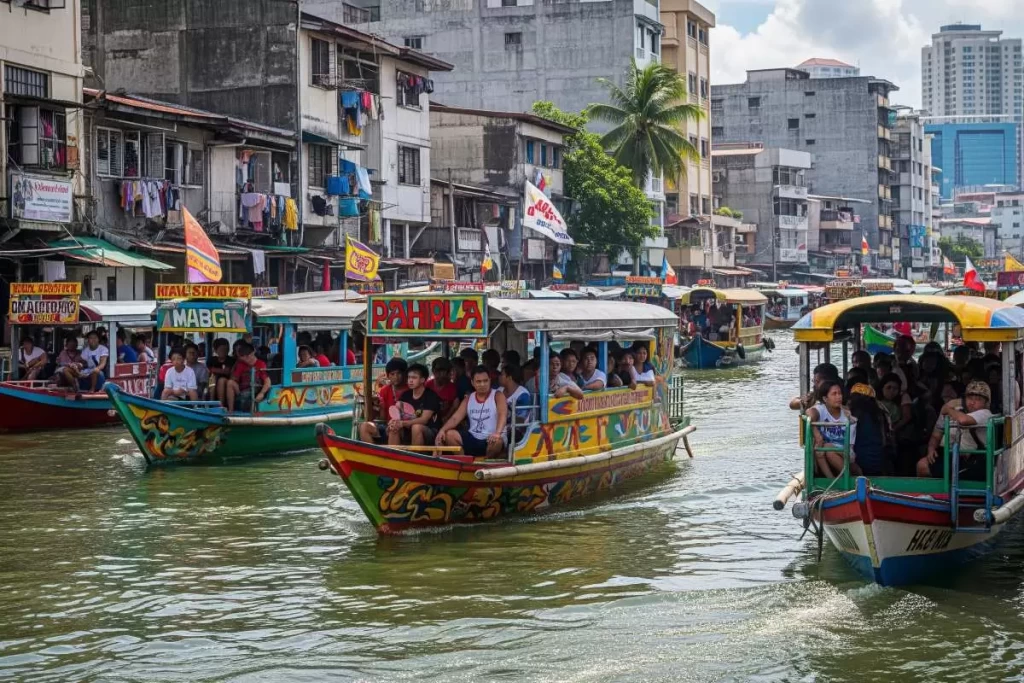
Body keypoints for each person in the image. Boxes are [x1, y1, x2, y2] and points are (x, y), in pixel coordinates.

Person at [919, 380, 994, 479]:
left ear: (986, 403)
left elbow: (963, 420)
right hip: (951, 455)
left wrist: (947, 409)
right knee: (922, 465)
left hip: (973, 460)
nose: (972, 402)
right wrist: (931, 449)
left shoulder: (985, 414)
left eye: (978, 399)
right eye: (970, 398)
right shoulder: (956, 410)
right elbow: (936, 435)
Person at [437, 366, 508, 458]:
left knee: (497, 442)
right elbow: (455, 418)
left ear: (490, 380)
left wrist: (497, 433)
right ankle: (463, 463)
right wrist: (442, 430)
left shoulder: (498, 395)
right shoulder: (469, 398)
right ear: (472, 383)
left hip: (492, 438)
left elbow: (503, 415)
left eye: (485, 381)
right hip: (473, 437)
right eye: (478, 382)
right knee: (449, 434)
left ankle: (485, 463)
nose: (482, 384)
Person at [807, 379, 857, 479]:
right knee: (820, 447)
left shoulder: (846, 412)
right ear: (825, 398)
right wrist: (816, 433)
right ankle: (831, 480)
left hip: (847, 450)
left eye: (839, 393)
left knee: (828, 447)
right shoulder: (821, 409)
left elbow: (850, 445)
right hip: (826, 449)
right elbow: (809, 412)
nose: (838, 397)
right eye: (834, 394)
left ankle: (846, 478)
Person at [388, 363, 441, 446]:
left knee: (416, 427)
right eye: (409, 377)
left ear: (422, 380)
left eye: (414, 378)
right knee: (394, 427)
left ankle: (416, 457)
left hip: (429, 432)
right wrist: (394, 422)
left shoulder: (431, 396)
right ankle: (392, 457)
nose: (410, 380)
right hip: (407, 429)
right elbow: (397, 413)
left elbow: (424, 420)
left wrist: (402, 423)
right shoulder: (405, 395)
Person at [358, 358, 409, 443]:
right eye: (392, 374)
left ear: (404, 374)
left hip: (405, 428)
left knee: (394, 429)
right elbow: (382, 418)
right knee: (364, 426)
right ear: (388, 375)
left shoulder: (410, 389)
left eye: (399, 373)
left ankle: (391, 456)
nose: (396, 377)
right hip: (386, 426)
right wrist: (377, 406)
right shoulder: (385, 390)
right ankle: (372, 455)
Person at [847, 383, 888, 476]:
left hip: (860, 463)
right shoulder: (879, 415)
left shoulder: (853, 415)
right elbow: (884, 440)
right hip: (879, 462)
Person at [226, 342, 271, 412]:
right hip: (242, 390)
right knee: (230, 383)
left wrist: (262, 393)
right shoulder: (241, 364)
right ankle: (230, 410)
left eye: (242, 357)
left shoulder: (261, 364)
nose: (241, 359)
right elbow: (234, 378)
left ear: (250, 355)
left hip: (256, 389)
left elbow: (267, 382)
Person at [500, 362, 533, 430]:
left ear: (509, 378)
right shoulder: (499, 391)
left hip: (515, 431)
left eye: (502, 375)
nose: (499, 377)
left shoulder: (523, 395)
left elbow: (520, 421)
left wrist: (504, 412)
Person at [425, 357, 458, 422]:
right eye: (438, 371)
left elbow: (455, 406)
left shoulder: (453, 388)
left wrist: (445, 418)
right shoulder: (426, 385)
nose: (441, 374)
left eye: (444, 371)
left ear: (448, 372)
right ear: (433, 371)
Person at [208, 338, 234, 407]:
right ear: (216, 350)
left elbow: (228, 372)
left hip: (226, 380)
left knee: (221, 380)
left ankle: (221, 406)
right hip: (212, 380)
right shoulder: (212, 359)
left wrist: (214, 370)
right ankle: (211, 402)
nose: (224, 351)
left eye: (226, 349)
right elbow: (209, 370)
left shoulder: (230, 360)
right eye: (222, 349)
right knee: (212, 378)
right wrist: (220, 371)